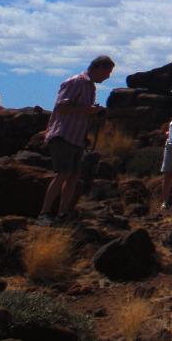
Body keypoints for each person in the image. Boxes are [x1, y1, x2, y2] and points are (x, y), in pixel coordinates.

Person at [37, 55, 113, 224]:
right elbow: (61, 106)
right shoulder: (76, 82)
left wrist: (92, 113)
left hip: (77, 138)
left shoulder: (91, 88)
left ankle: (63, 213)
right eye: (107, 72)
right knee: (63, 174)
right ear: (98, 68)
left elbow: (80, 111)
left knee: (72, 176)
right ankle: (45, 213)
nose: (108, 77)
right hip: (63, 135)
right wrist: (88, 110)